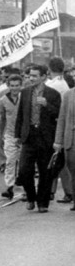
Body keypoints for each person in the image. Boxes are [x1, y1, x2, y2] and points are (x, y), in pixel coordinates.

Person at [15, 64, 61, 213]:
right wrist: (17, 135)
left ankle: (43, 202)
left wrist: (47, 105)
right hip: (29, 136)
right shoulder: (26, 92)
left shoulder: (53, 94)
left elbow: (59, 114)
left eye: (35, 75)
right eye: (30, 75)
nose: (31, 78)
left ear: (43, 77)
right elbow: (21, 115)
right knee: (24, 170)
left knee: (45, 172)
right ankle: (30, 196)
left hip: (45, 137)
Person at [45, 57, 72, 205]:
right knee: (59, 160)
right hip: (60, 124)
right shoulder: (64, 83)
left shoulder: (54, 85)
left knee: (57, 160)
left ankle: (64, 191)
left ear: (49, 69)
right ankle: (55, 190)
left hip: (54, 124)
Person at [0, 74, 23, 199]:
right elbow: (2, 118)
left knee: (24, 162)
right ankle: (9, 186)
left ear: (21, 85)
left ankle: (25, 187)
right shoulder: (3, 100)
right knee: (10, 161)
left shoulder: (24, 98)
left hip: (23, 135)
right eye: (12, 86)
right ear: (8, 86)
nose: (15, 88)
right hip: (10, 134)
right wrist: (1, 134)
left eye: (17, 85)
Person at [54, 83, 75, 212]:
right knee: (73, 171)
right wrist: (58, 141)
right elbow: (62, 119)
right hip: (71, 140)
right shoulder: (68, 94)